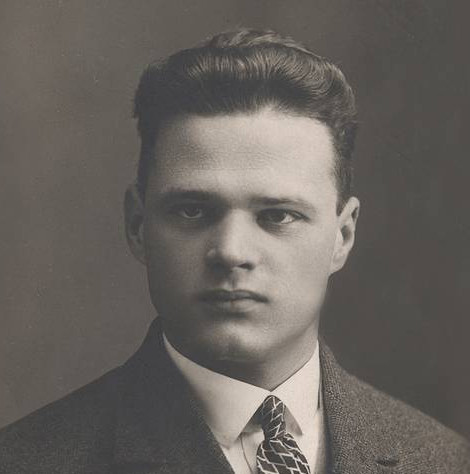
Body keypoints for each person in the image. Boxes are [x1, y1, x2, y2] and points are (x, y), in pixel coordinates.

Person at [1, 28, 469, 474]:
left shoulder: (447, 461)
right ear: (138, 226)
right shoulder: (27, 462)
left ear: (342, 236)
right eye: (192, 211)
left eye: (277, 215)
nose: (231, 251)